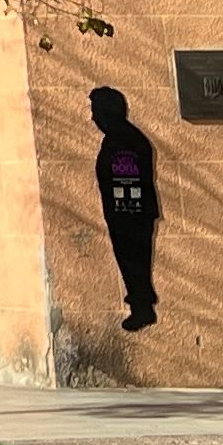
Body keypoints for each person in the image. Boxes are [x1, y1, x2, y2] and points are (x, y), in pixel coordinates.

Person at [90, 86, 161, 331]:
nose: (93, 118)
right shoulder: (122, 138)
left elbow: (126, 180)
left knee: (133, 261)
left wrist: (123, 211)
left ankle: (142, 306)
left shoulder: (124, 140)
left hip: (129, 213)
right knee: (132, 262)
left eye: (96, 111)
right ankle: (141, 302)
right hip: (127, 212)